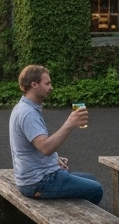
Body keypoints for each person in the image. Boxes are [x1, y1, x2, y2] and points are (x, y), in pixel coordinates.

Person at [9, 65, 102, 203]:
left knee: (91, 179)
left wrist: (54, 159)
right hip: (38, 181)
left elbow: (38, 146)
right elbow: (45, 148)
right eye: (47, 84)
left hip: (35, 176)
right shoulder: (27, 113)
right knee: (96, 189)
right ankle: (75, 222)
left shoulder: (25, 107)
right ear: (34, 85)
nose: (51, 88)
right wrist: (70, 123)